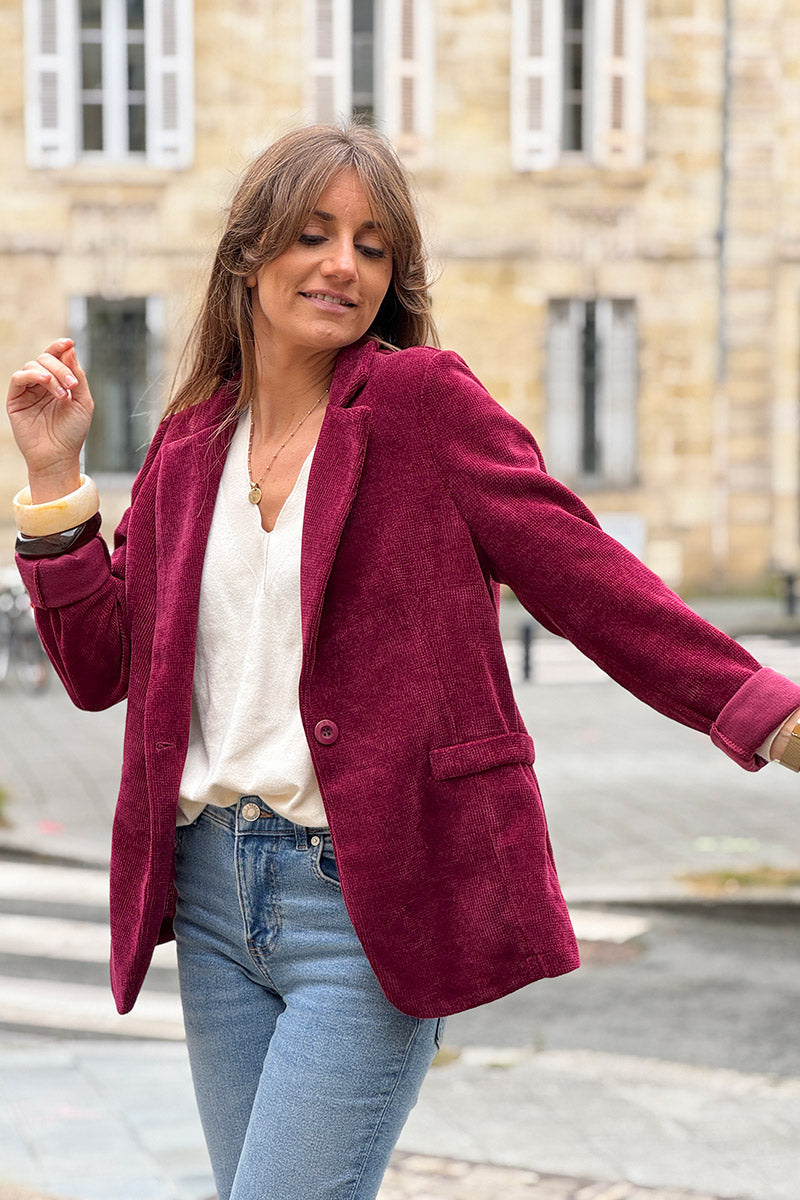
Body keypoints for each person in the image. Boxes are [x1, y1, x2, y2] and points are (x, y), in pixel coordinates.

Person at [6, 122, 800, 1200]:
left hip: (364, 898)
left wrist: (763, 711)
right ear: (248, 253)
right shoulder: (189, 444)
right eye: (313, 234)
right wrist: (56, 481)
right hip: (209, 895)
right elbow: (101, 668)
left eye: (372, 246)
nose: (343, 265)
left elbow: (590, 582)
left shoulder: (423, 405)